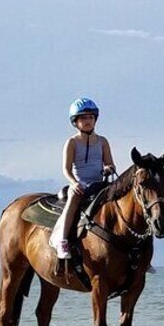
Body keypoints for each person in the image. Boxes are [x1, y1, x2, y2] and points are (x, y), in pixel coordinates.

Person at [50, 97, 116, 259]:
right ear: (75, 122)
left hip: (100, 184)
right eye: (83, 118)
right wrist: (74, 183)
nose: (88, 121)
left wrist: (109, 168)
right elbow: (66, 169)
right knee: (74, 196)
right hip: (80, 183)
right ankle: (62, 240)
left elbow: (110, 163)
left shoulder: (102, 141)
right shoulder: (72, 142)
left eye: (90, 117)